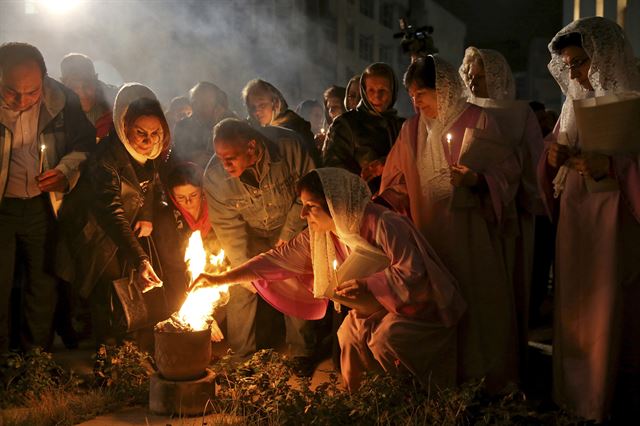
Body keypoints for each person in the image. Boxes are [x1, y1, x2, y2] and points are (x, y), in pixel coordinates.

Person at [192, 168, 466, 391]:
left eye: (310, 206)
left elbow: (413, 273)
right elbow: (274, 260)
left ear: (335, 205)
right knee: (348, 335)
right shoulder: (322, 235)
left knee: (386, 338)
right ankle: (362, 402)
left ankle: (412, 402)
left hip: (418, 308)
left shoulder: (385, 224)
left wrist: (367, 284)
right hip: (374, 309)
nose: (303, 214)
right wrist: (220, 279)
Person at [378, 55, 520, 391]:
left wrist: (477, 180)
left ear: (444, 88)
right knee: (437, 306)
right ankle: (441, 380)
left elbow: (507, 171)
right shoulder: (411, 130)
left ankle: (483, 380)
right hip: (428, 235)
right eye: (412, 96)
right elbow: (396, 181)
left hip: (468, 233)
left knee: (475, 300)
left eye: (423, 93)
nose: (417, 102)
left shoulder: (477, 120)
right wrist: (382, 206)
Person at [538, 17, 640, 422]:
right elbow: (557, 146)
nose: (576, 73)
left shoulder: (634, 100)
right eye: (570, 65)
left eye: (581, 62)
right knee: (575, 304)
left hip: (617, 218)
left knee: (608, 307)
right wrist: (552, 155)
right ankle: (572, 396)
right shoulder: (571, 105)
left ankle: (603, 399)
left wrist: (613, 164)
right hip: (577, 217)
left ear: (604, 57)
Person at [0, 42, 95, 352]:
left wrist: (64, 172)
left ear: (44, 77)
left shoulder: (63, 101)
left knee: (43, 283)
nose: (24, 101)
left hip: (42, 206)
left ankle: (34, 360)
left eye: (32, 92)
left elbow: (85, 146)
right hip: (3, 206)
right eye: (12, 92)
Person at [57, 83, 167, 347]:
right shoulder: (105, 160)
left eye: (155, 132)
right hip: (95, 235)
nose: (148, 140)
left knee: (125, 293)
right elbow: (111, 212)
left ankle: (125, 353)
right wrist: (140, 259)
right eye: (140, 132)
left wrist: (147, 214)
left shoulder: (150, 153)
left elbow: (149, 182)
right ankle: (108, 361)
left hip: (121, 230)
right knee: (108, 294)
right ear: (123, 125)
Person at [203, 118, 317, 375]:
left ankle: (301, 352)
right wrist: (242, 267)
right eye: (219, 157)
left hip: (293, 223)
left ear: (252, 147)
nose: (225, 165)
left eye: (230, 158)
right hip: (251, 233)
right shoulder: (215, 177)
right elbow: (227, 226)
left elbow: (308, 194)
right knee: (241, 285)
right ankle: (241, 355)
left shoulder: (290, 148)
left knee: (294, 278)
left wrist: (286, 238)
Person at [459, 47, 545, 380]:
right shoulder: (463, 111)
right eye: (470, 75)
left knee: (505, 289)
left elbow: (534, 166)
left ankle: (505, 362)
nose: (473, 81)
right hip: (473, 213)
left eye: (480, 75)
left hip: (510, 216)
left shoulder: (520, 114)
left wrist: (500, 176)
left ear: (497, 76)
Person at [323, 63, 404, 193]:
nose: (377, 96)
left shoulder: (402, 126)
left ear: (393, 91)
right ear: (364, 92)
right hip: (361, 205)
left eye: (383, 90)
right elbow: (333, 169)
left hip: (398, 206)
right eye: (371, 90)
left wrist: (388, 164)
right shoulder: (346, 124)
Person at [153, 162, 220, 312]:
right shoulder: (167, 220)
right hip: (184, 291)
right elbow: (173, 269)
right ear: (172, 196)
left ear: (203, 191)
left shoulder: (217, 210)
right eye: (181, 197)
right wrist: (196, 309)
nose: (188, 202)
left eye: (193, 195)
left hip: (218, 283)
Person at [242, 78, 320, 165]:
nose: (256, 111)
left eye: (262, 105)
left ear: (275, 103)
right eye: (252, 107)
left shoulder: (298, 128)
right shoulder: (248, 133)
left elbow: (312, 165)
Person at [172, 81, 234, 168]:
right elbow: (179, 157)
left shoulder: (229, 125)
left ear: (216, 105)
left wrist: (218, 123)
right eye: (194, 102)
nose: (198, 107)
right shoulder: (182, 126)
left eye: (204, 103)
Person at [60, 53, 117, 140]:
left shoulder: (116, 108)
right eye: (74, 87)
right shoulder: (53, 115)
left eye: (87, 85)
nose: (82, 94)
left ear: (95, 79)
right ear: (63, 84)